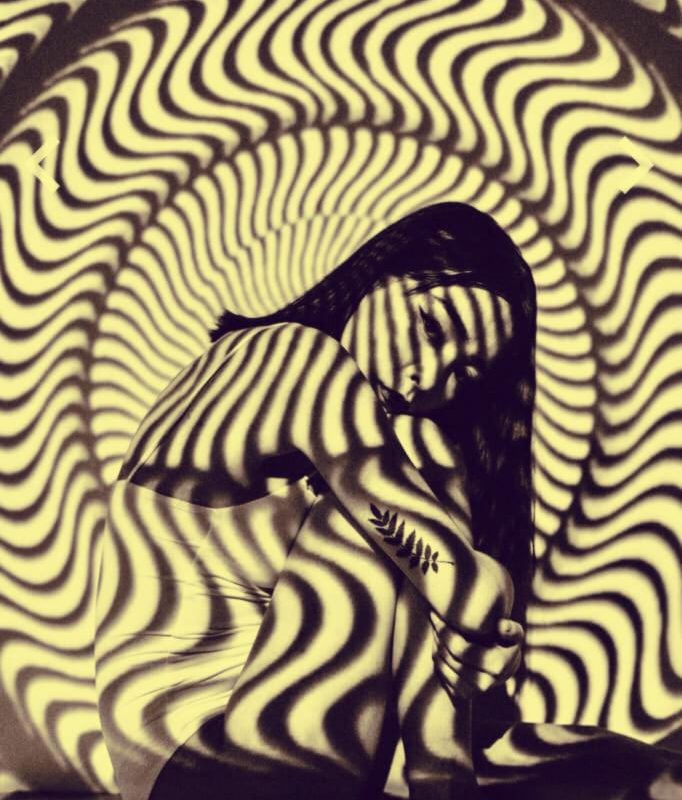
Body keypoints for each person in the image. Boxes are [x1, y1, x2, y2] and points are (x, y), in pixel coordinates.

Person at [93, 202, 536, 800]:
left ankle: (445, 776)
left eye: (464, 374)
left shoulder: (247, 369)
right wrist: (492, 598)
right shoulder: (302, 359)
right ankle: (445, 777)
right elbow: (467, 591)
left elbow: (439, 589)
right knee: (419, 449)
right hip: (213, 767)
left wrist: (467, 635)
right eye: (432, 328)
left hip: (188, 768)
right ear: (384, 273)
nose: (425, 380)